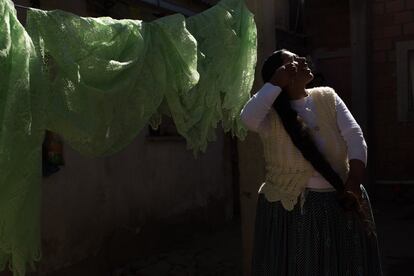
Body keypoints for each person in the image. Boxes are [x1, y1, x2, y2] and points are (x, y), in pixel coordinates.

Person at [240, 49, 383, 275]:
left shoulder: (327, 97)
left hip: (341, 199)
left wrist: (354, 182)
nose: (302, 61)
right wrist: (276, 83)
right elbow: (247, 118)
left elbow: (355, 136)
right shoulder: (270, 115)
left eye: (300, 58)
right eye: (292, 62)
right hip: (292, 209)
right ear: (280, 75)